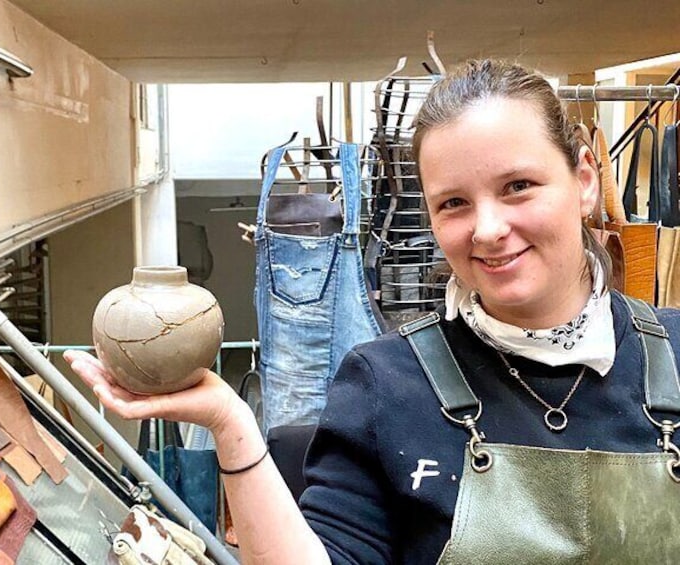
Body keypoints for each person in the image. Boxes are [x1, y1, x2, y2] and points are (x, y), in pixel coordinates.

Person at [65, 60, 680, 564]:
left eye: (519, 186)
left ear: (584, 180)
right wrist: (229, 422)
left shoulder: (675, 355)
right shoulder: (386, 385)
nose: (489, 229)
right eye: (454, 204)